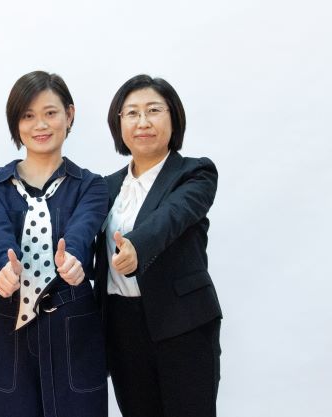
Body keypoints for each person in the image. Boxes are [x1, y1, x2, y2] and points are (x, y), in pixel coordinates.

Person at [0, 71, 108, 417]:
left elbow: (81, 232)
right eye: (28, 115)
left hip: (73, 323)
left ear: (69, 114)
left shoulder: (91, 186)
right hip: (11, 323)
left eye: (50, 113)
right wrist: (4, 270)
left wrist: (73, 260)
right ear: (16, 123)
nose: (40, 125)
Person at [95, 74, 223, 417]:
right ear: (119, 123)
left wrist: (136, 247)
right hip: (122, 327)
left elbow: (172, 217)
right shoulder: (106, 187)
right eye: (132, 113)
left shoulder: (195, 174)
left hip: (183, 323)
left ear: (173, 117)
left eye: (153, 110)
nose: (143, 122)